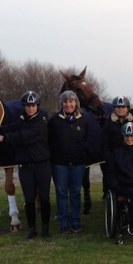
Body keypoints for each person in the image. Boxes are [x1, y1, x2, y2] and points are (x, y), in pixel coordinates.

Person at [0, 91, 51, 239]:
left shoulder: (41, 122)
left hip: (42, 165)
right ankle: (32, 228)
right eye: (27, 106)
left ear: (37, 106)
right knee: (29, 198)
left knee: (44, 197)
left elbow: (23, 137)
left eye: (32, 105)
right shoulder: (23, 121)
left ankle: (45, 227)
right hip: (25, 166)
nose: (30, 108)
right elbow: (13, 127)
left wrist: (3, 138)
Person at [48, 90, 95, 234]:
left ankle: (75, 222)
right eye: (66, 101)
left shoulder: (83, 120)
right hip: (59, 164)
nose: (68, 104)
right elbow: (49, 141)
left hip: (78, 163)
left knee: (75, 193)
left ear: (76, 103)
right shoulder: (54, 120)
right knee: (61, 193)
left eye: (71, 101)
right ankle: (63, 223)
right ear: (61, 103)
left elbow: (87, 140)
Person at [100, 95, 133, 195]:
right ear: (114, 108)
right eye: (118, 107)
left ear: (127, 108)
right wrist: (109, 159)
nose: (120, 109)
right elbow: (104, 143)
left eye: (123, 107)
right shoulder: (108, 123)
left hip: (130, 158)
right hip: (114, 158)